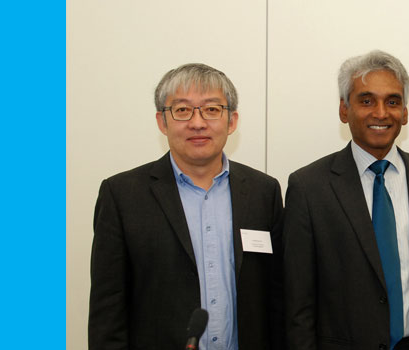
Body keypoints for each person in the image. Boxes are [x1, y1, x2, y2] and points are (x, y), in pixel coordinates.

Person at [89, 63, 285, 350]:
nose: (197, 123)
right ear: (162, 121)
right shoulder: (122, 195)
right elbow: (108, 309)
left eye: (212, 109)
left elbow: (277, 294)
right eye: (182, 110)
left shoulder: (263, 191)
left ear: (231, 121)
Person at [285, 50, 409, 350]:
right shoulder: (309, 187)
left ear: (405, 113)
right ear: (344, 110)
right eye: (366, 101)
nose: (381, 113)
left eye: (393, 101)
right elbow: (297, 302)